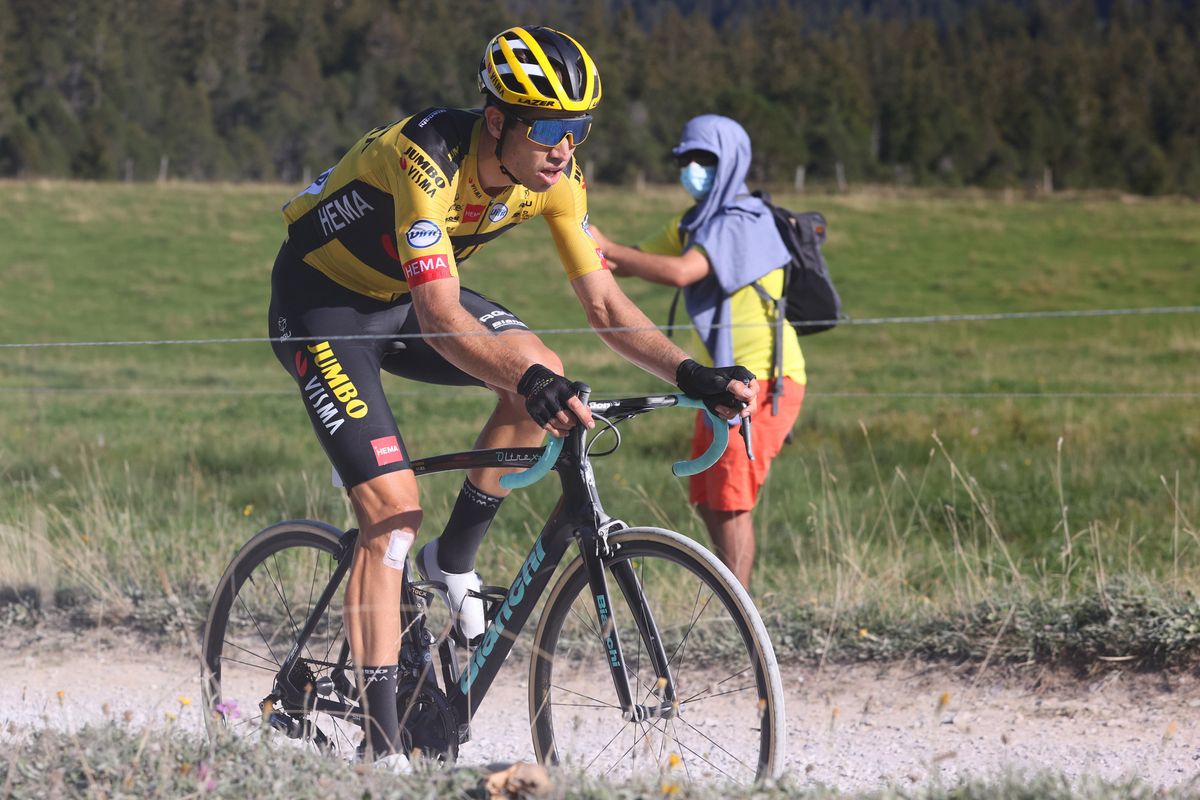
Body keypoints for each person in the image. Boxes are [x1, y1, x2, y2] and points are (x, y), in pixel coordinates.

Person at [267, 28, 758, 760]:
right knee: (393, 512)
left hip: (401, 296)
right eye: (551, 129)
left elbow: (606, 308)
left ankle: (452, 561)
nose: (566, 148)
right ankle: (383, 751)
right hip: (321, 308)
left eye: (580, 129)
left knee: (542, 355)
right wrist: (529, 385)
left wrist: (695, 376)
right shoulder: (425, 155)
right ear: (496, 120)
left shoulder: (558, 181)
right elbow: (439, 318)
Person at [587, 114, 805, 590]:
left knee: (730, 498)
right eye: (685, 158)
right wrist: (590, 240)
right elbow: (628, 260)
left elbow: (682, 271)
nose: (692, 168)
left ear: (731, 162)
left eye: (704, 159)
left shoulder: (742, 220)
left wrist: (605, 247)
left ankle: (741, 613)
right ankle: (735, 602)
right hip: (723, 380)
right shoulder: (695, 222)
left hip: (761, 379)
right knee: (709, 496)